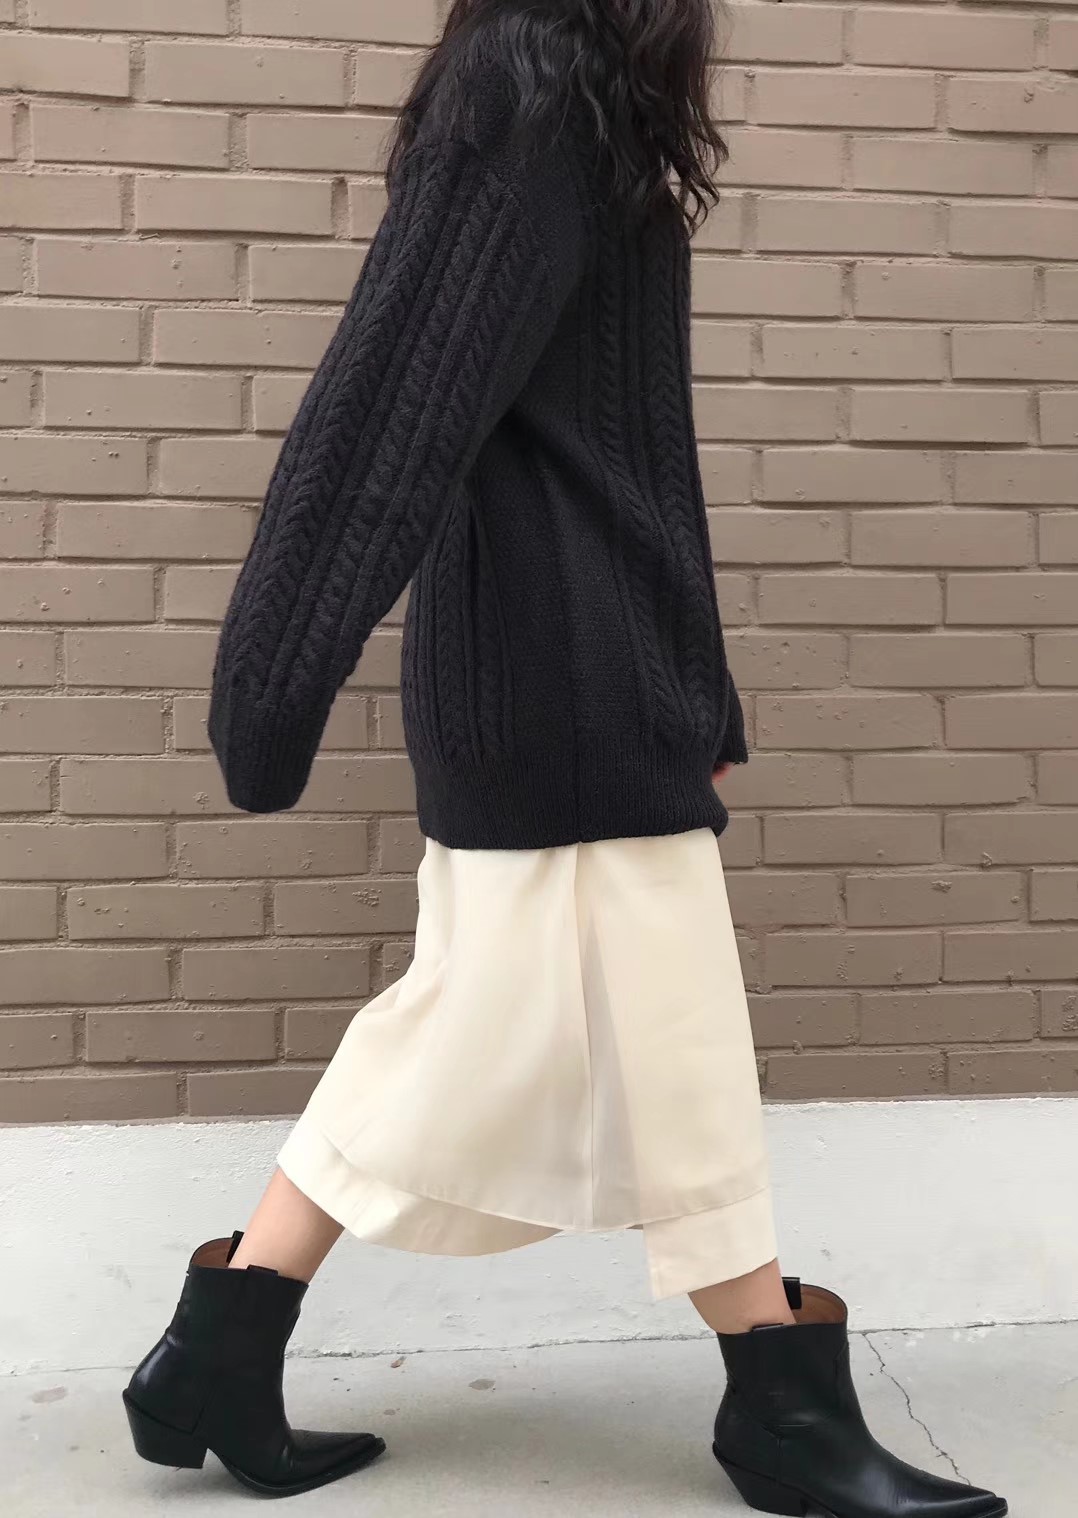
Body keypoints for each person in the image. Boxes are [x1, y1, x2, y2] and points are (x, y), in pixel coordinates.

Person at [121, 3, 1006, 1514]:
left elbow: (630, 452)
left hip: (598, 677)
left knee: (478, 1035)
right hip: (557, 683)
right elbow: (389, 408)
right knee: (668, 1047)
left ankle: (216, 1353)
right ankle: (782, 1414)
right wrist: (272, 681)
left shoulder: (576, 98)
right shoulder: (523, 82)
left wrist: (700, 702)